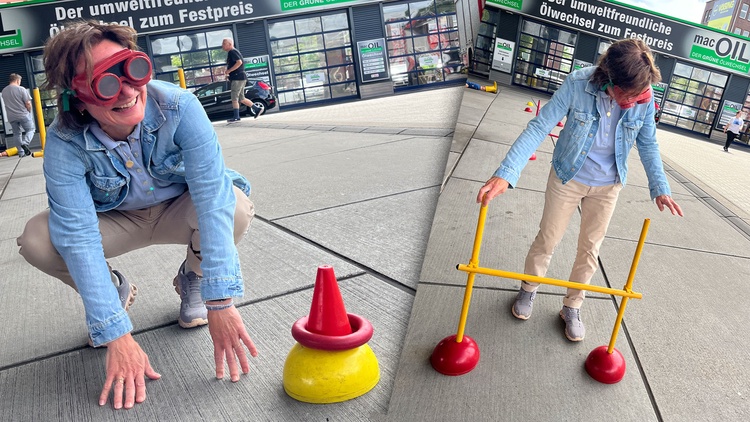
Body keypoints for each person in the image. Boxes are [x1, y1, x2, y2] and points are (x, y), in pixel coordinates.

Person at [16, 21, 257, 410]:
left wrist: (220, 300)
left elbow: (212, 199)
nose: (128, 90)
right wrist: (115, 334)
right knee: (37, 240)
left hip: (179, 208)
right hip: (117, 220)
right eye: (104, 84)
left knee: (234, 207)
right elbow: (77, 234)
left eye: (131, 68)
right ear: (77, 99)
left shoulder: (178, 106)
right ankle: (114, 291)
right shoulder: (64, 142)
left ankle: (192, 278)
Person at [476, 39, 683, 342]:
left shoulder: (644, 96)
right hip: (567, 176)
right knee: (548, 238)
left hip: (608, 184)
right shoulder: (578, 83)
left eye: (640, 94)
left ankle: (572, 306)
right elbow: (539, 126)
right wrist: (506, 173)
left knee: (590, 249)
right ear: (608, 78)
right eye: (628, 94)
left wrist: (659, 187)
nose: (635, 100)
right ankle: (528, 289)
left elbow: (648, 142)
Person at [222, 38, 261, 122]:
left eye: (224, 43)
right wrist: (229, 74)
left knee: (234, 97)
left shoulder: (232, 51)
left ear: (229, 44)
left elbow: (239, 62)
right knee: (241, 98)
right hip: (240, 77)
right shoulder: (233, 52)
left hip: (237, 78)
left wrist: (229, 71)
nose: (222, 45)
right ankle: (257, 109)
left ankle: (236, 117)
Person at [1, 73, 35, 157]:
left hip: (11, 116)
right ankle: (25, 143)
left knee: (17, 134)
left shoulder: (4, 91)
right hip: (23, 114)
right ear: (17, 80)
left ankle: (21, 152)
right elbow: (28, 103)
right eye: (20, 81)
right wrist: (29, 111)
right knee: (31, 129)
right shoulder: (21, 89)